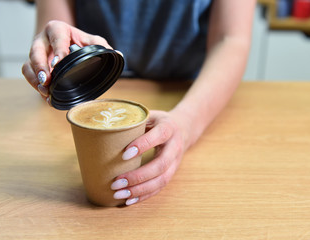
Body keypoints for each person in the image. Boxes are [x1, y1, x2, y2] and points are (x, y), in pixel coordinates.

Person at [22, 0, 256, 206]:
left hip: (194, 91)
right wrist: (53, 51)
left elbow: (230, 39)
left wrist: (186, 124)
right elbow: (55, 30)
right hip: (96, 89)